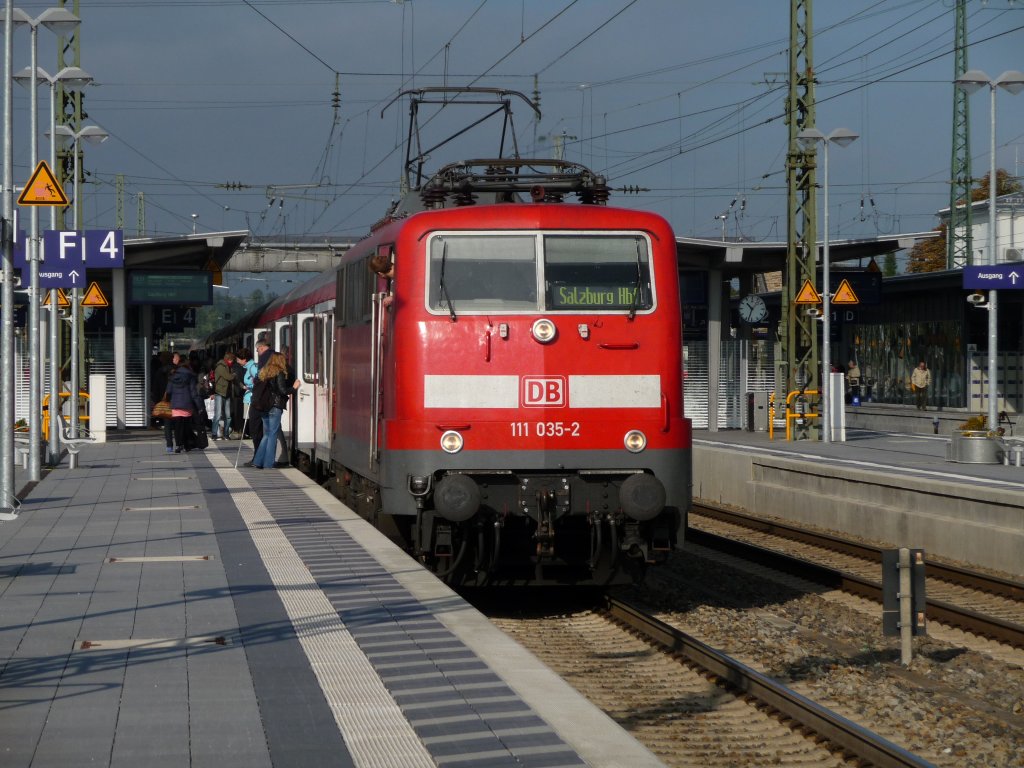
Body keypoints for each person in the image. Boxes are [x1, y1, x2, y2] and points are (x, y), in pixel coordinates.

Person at [246, 352, 292, 469]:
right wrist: (294, 388)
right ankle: (268, 463)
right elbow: (282, 390)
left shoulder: (263, 372)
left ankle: (257, 461)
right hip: (275, 406)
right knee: (272, 434)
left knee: (267, 434)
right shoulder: (279, 372)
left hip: (264, 406)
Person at [165, 356, 200, 452]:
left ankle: (179, 445)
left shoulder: (173, 376)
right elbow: (193, 392)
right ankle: (187, 444)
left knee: (177, 427)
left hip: (175, 405)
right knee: (186, 426)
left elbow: (168, 391)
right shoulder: (190, 376)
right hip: (187, 404)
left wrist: (169, 401)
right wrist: (199, 405)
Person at [248, 335, 273, 451]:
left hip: (261, 399)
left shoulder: (264, 358)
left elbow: (262, 378)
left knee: (256, 430)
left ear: (262, 347)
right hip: (269, 400)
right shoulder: (276, 356)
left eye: (257, 350)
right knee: (270, 430)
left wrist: (256, 380)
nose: (257, 352)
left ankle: (258, 457)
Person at [212, 351, 237, 440]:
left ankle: (226, 434)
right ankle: (214, 434)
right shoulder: (220, 367)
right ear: (227, 359)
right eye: (231, 360)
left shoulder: (229, 367)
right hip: (219, 393)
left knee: (228, 416)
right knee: (218, 415)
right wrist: (234, 374)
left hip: (227, 393)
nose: (232, 362)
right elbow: (228, 377)